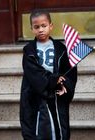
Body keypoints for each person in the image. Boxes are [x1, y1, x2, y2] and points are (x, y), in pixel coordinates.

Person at [20, 9, 77, 140]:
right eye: (36, 27)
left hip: (56, 96)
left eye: (44, 26)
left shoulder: (61, 49)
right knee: (38, 129)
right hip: (36, 94)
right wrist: (53, 80)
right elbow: (33, 73)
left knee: (59, 129)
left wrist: (64, 85)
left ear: (51, 26)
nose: (41, 30)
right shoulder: (29, 51)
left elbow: (69, 71)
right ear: (31, 29)